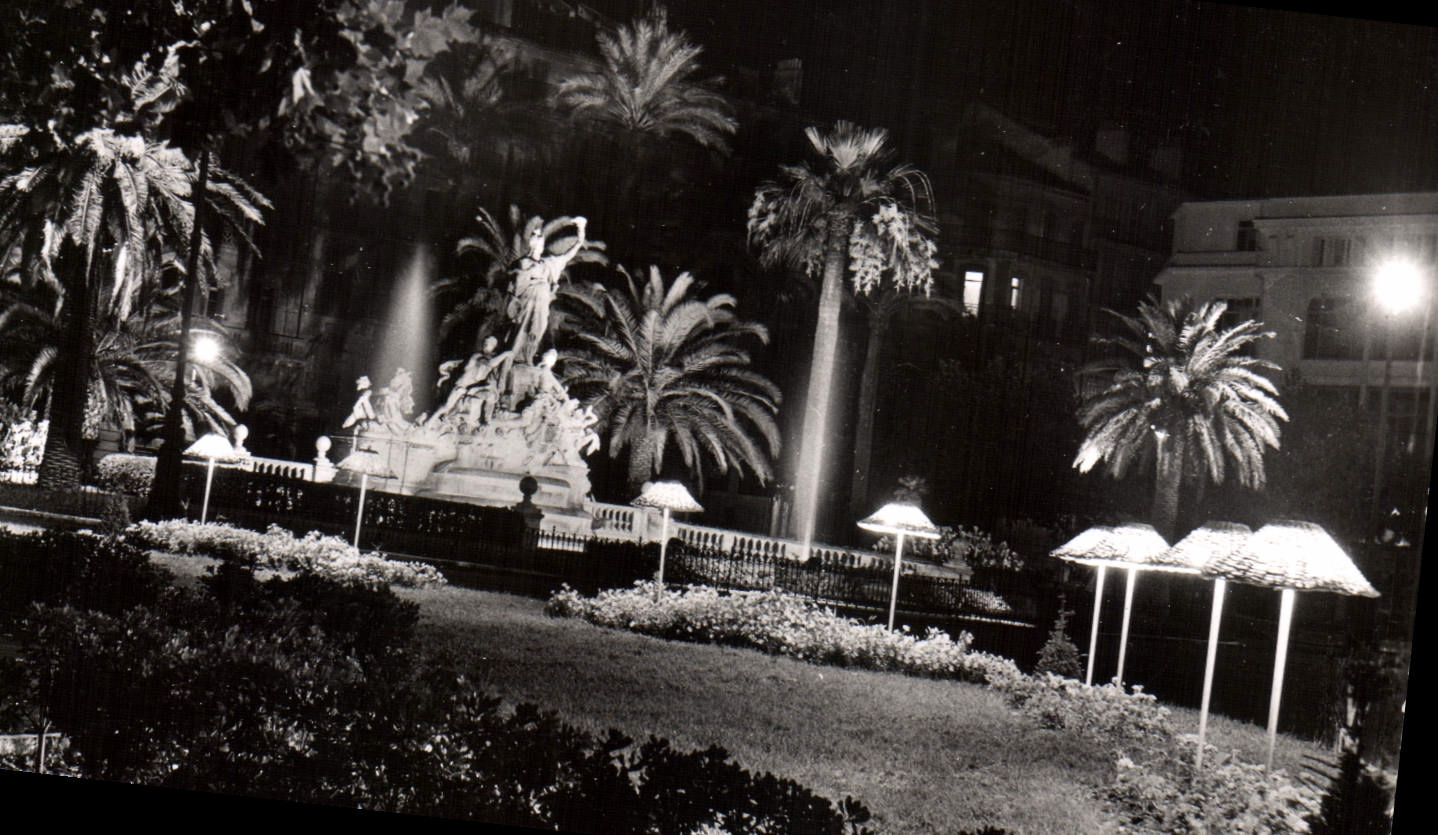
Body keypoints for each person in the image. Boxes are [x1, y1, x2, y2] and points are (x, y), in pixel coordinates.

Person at [507, 216, 587, 364]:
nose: (536, 238)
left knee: (538, 329)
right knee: (521, 330)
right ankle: (513, 359)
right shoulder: (522, 262)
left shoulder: (550, 262)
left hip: (542, 301)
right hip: (527, 301)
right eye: (534, 235)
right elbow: (514, 284)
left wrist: (581, 229)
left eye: (539, 236)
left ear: (542, 242)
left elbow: (571, 251)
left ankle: (528, 359)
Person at [430, 336, 514, 427]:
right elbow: (491, 363)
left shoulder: (490, 357)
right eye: (485, 342)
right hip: (462, 386)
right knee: (446, 406)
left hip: (473, 387)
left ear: (494, 346)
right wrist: (505, 354)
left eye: (489, 343)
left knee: (491, 396)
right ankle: (431, 421)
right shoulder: (478, 356)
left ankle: (483, 421)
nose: (486, 344)